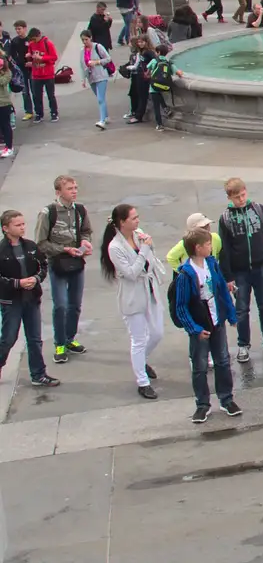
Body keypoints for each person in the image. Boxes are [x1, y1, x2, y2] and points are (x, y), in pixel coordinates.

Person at [173, 228, 242, 423]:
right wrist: (194, 329)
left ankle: (226, 399)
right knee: (200, 366)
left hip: (217, 321)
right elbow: (181, 307)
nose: (211, 247)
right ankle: (202, 404)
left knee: (222, 361)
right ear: (198, 248)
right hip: (200, 325)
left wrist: (231, 315)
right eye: (208, 244)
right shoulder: (186, 274)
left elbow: (221, 290)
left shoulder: (212, 264)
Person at [100, 202, 165, 398]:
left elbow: (151, 262)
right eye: (134, 218)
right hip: (131, 296)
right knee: (138, 339)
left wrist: (149, 247)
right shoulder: (115, 247)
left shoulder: (139, 234)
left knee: (157, 333)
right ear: (122, 222)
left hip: (149, 290)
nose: (138, 220)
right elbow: (130, 273)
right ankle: (142, 381)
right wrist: (145, 250)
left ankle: (140, 361)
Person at [218, 177, 263, 362]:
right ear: (229, 197)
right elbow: (223, 249)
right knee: (241, 309)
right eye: (236, 197)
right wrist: (228, 276)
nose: (240, 199)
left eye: (242, 195)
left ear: (246, 192)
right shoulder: (225, 218)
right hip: (239, 272)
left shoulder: (259, 210)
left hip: (261, 267)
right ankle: (243, 345)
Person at [35, 175, 92, 364]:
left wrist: (85, 242)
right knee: (60, 305)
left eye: (75, 187)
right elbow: (41, 243)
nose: (74, 191)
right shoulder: (48, 213)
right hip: (57, 263)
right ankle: (59, 343)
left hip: (76, 262)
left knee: (74, 304)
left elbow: (86, 231)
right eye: (70, 189)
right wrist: (63, 249)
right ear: (58, 192)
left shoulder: (81, 210)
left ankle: (69, 338)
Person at [0, 209, 57, 386]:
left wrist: (35, 279)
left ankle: (38, 374)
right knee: (9, 338)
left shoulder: (31, 246)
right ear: (5, 228)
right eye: (18, 225)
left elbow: (43, 266)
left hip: (31, 299)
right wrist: (18, 283)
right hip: (12, 302)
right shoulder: (1, 251)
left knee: (35, 339)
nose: (23, 227)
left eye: (23, 224)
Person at [25, 27, 59, 123]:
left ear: (39, 36)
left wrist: (42, 58)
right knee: (36, 96)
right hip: (36, 74)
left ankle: (54, 112)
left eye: (34, 39)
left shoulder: (48, 43)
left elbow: (54, 57)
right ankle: (39, 114)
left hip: (48, 74)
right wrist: (29, 58)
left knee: (50, 95)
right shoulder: (31, 44)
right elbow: (31, 55)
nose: (33, 41)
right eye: (32, 39)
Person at [125, 35, 154, 124]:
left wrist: (149, 71)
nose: (140, 44)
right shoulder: (141, 52)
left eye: (142, 42)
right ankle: (137, 114)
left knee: (143, 96)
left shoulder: (148, 52)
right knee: (140, 95)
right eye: (139, 42)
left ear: (146, 42)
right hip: (140, 75)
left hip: (144, 77)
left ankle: (138, 116)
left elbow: (155, 60)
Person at [7, 21, 31, 122]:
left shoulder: (30, 39)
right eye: (16, 29)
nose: (18, 31)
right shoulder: (15, 41)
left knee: (35, 91)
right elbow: (11, 55)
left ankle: (39, 110)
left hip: (31, 68)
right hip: (21, 69)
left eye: (19, 29)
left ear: (25, 28)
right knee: (25, 91)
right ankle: (28, 111)